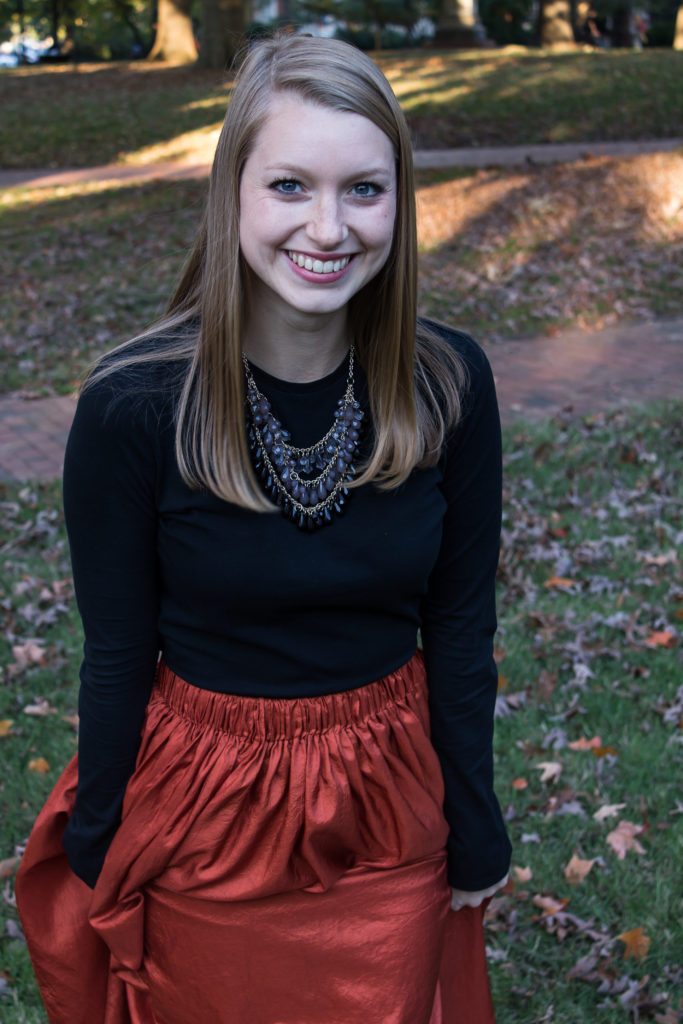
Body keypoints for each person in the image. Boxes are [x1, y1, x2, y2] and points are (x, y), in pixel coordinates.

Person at [15, 33, 511, 1024]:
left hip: (387, 792)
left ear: (397, 203)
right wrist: (103, 830)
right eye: (289, 185)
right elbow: (117, 647)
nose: (327, 227)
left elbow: (457, 631)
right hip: (208, 801)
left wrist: (473, 820)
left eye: (362, 190)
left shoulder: (445, 384)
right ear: (232, 193)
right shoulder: (136, 405)